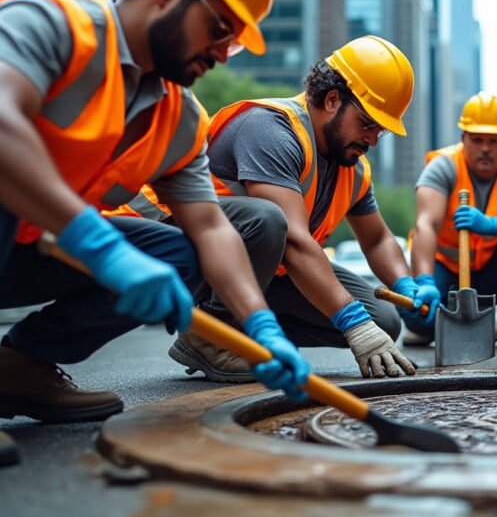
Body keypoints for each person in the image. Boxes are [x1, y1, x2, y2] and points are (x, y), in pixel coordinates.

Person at [0, 0, 310, 468]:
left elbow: (212, 228)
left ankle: (19, 367)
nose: (220, 53)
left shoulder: (179, 117)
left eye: (232, 42)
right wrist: (100, 246)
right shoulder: (49, 26)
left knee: (178, 254)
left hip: (27, 250)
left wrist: (260, 326)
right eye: (218, 29)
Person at [132, 37, 431, 381]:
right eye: (367, 124)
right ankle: (210, 335)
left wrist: (406, 285)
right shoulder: (271, 129)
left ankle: (245, 337)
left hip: (245, 266)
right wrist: (352, 321)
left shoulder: (354, 169)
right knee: (269, 221)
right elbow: (290, 239)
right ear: (333, 100)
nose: (374, 139)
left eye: (381, 130)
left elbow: (377, 239)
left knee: (382, 321)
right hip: (166, 239)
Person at [405, 92, 497, 345]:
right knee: (418, 317)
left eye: (493, 141)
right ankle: (437, 324)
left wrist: (492, 225)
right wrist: (424, 280)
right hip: (446, 272)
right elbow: (426, 224)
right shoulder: (442, 168)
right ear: (463, 138)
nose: (485, 148)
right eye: (477, 139)